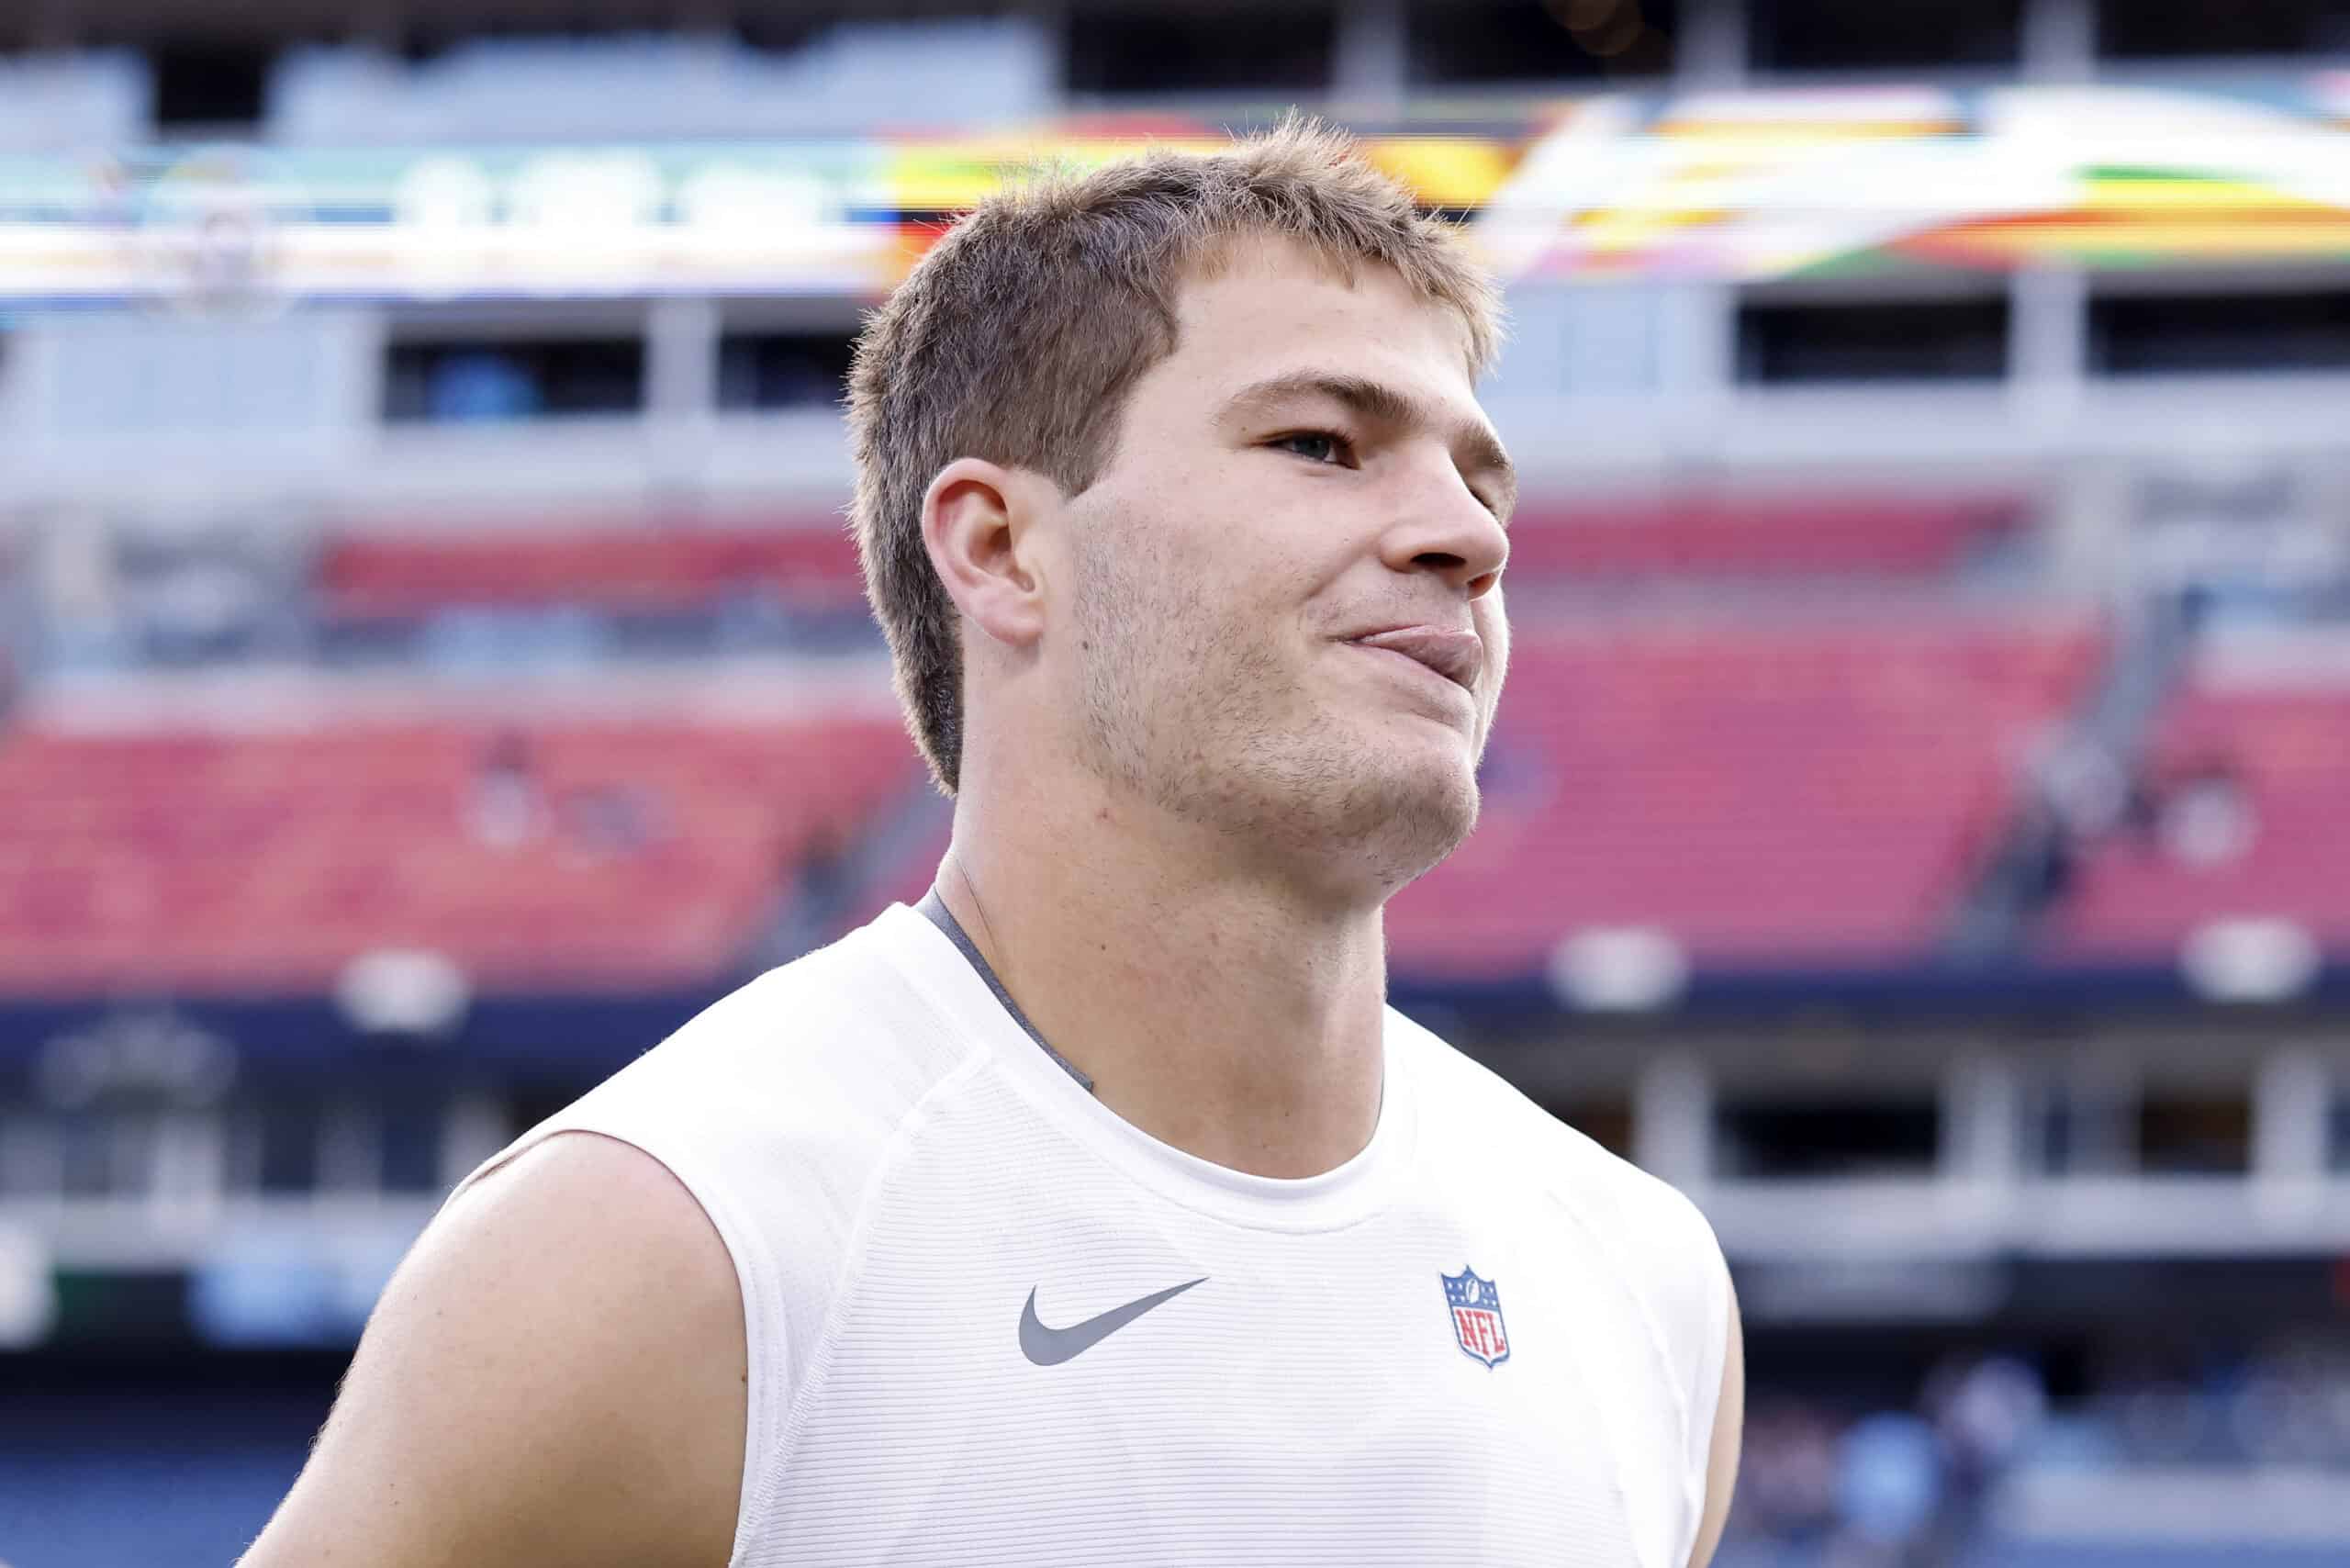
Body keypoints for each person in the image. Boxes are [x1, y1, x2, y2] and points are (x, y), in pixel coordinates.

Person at [240, 118, 1742, 1568]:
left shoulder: (1640, 1282)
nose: (1467, 538)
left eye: (1481, 483)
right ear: (1002, 548)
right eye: (1323, 443)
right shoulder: (667, 1248)